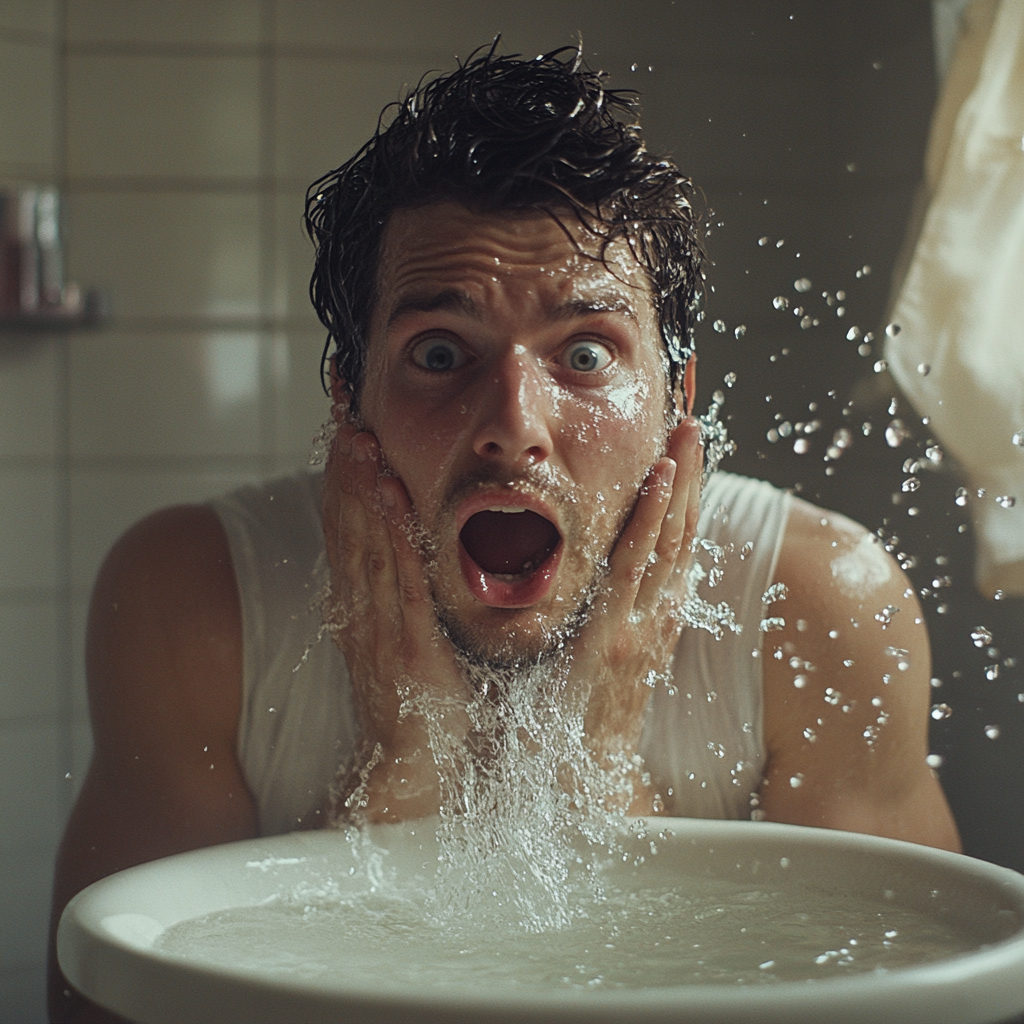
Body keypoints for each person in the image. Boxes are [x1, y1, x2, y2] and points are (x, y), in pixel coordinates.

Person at [48, 45, 960, 1022]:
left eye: (584, 352)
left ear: (677, 394)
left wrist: (601, 768)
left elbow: (913, 1001)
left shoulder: (819, 607)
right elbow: (102, 1005)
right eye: (440, 352)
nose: (514, 422)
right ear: (348, 397)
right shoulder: (193, 602)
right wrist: (397, 779)